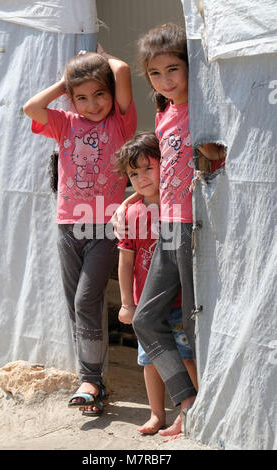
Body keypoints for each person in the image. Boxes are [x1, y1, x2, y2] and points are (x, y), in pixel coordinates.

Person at [112, 24, 224, 438]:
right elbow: (160, 172)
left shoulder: (203, 106)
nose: (165, 81)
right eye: (155, 74)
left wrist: (210, 150)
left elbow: (217, 153)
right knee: (145, 318)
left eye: (173, 69)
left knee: (194, 323)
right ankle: (188, 399)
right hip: (169, 225)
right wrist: (132, 198)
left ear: (191, 67)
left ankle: (198, 408)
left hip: (196, 224)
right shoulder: (164, 113)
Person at [23, 44, 137, 416]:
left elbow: (121, 70)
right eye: (82, 98)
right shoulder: (65, 122)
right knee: (77, 308)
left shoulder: (120, 123)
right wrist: (64, 85)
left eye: (99, 94)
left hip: (104, 228)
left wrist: (103, 59)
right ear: (72, 100)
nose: (92, 104)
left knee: (86, 301)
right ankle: (93, 380)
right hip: (67, 227)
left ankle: (90, 379)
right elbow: (31, 108)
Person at [115, 132, 198, 435]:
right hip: (146, 304)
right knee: (149, 362)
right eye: (133, 174)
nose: (141, 178)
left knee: (186, 357)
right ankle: (156, 413)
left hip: (176, 303)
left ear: (166, 165)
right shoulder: (132, 214)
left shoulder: (173, 206)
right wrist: (126, 302)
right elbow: (125, 261)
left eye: (148, 168)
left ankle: (189, 412)